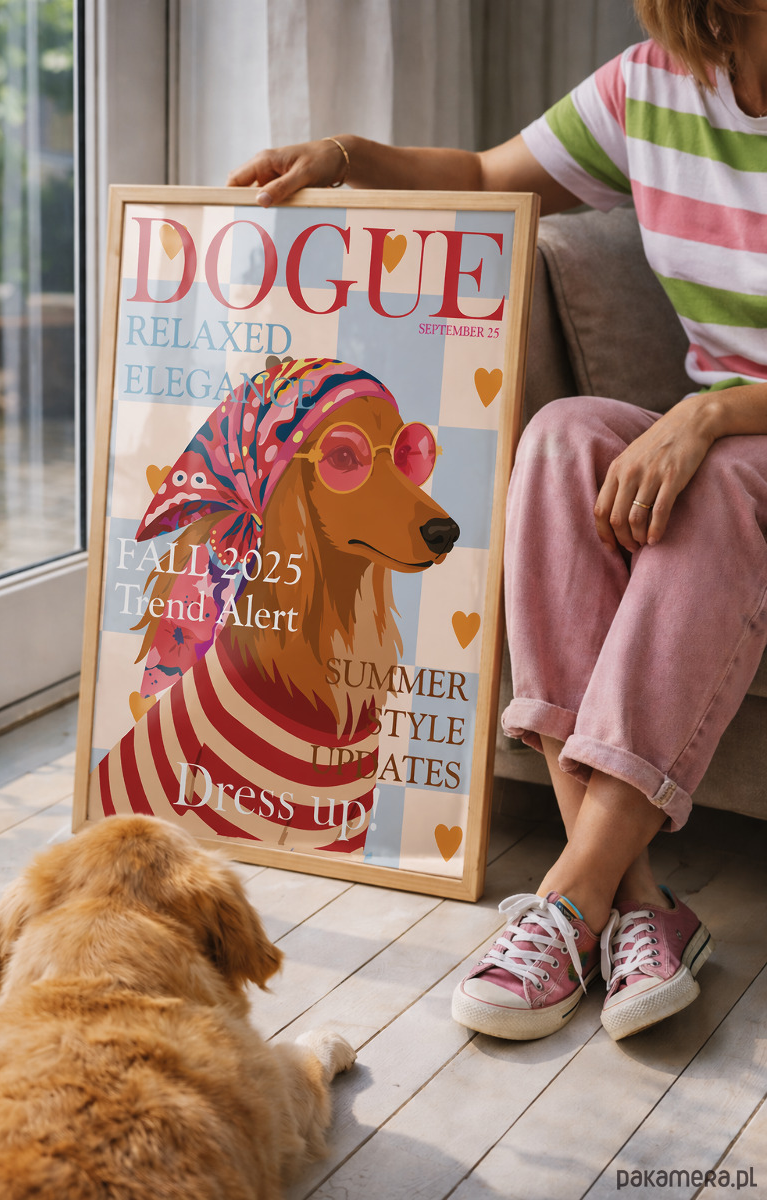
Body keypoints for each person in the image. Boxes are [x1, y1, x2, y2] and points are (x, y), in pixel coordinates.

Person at [228, 0, 767, 1042]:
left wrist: (707, 417)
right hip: (718, 435)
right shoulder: (649, 88)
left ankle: (569, 898)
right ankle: (635, 905)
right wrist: (342, 154)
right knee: (560, 438)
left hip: (738, 443)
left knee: (716, 483)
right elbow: (482, 176)